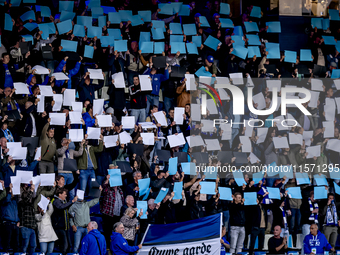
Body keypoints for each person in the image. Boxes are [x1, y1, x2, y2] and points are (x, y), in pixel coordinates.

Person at [69, 186, 102, 253]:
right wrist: (72, 225)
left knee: (88, 245)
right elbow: (70, 217)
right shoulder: (73, 206)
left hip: (87, 228)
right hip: (78, 228)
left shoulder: (87, 204)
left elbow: (96, 200)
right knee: (76, 246)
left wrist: (99, 191)